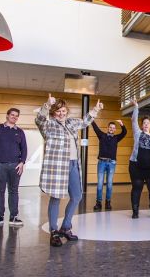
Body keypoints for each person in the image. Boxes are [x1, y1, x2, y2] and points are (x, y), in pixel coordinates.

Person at [36, 94, 103, 247]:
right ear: (53, 113)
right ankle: (54, 232)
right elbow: (39, 120)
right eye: (58, 111)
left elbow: (85, 121)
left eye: (64, 110)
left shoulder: (71, 123)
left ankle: (65, 227)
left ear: (67, 111)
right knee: (56, 197)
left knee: (77, 196)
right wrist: (46, 105)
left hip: (73, 164)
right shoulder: (49, 125)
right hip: (59, 166)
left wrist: (95, 109)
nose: (61, 113)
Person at [91, 119, 127, 211]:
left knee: (109, 184)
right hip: (101, 163)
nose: (111, 129)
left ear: (115, 130)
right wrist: (91, 119)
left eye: (113, 128)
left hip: (111, 163)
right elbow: (95, 128)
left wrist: (122, 124)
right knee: (99, 184)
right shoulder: (102, 135)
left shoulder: (116, 138)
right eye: (110, 127)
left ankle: (108, 202)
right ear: (107, 128)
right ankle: (98, 203)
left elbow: (124, 133)